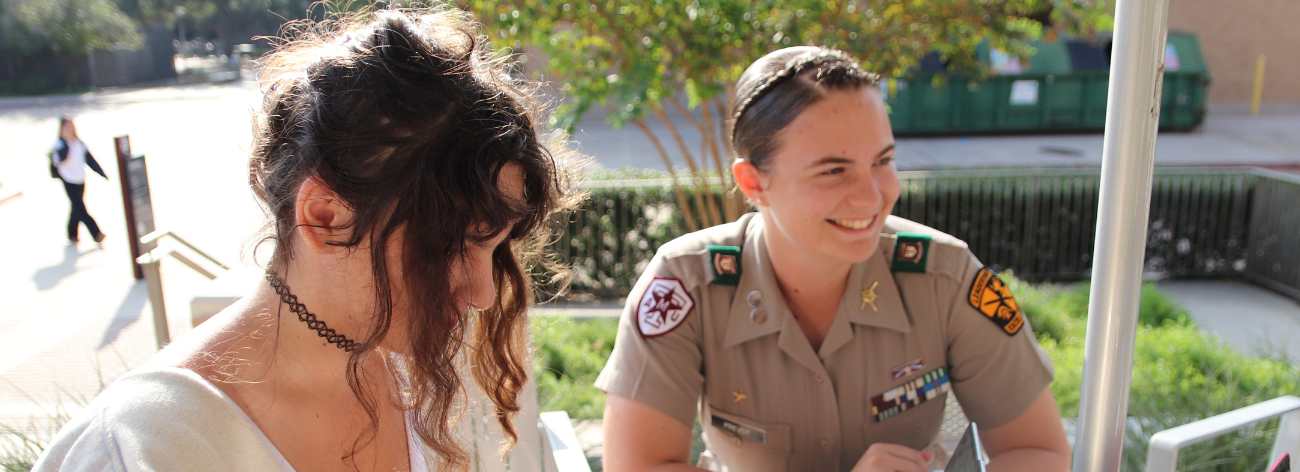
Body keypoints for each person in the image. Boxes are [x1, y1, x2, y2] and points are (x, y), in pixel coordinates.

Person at [34, 8, 574, 471]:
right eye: (454, 246)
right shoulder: (140, 447)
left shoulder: (429, 365)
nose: (483, 293)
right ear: (326, 217)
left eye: (494, 248)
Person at [596, 47, 1071, 472]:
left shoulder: (944, 277)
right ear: (754, 182)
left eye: (882, 161)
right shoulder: (686, 286)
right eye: (833, 170)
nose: (872, 196)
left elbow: (1037, 450)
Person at [51, 117, 107, 244]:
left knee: (75, 206)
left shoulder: (80, 144)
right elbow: (60, 159)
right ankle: (96, 233)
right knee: (80, 207)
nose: (70, 128)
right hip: (68, 180)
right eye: (67, 126)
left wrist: (102, 173)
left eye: (72, 125)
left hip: (80, 179)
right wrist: (66, 141)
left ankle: (72, 233)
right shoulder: (60, 145)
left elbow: (90, 160)